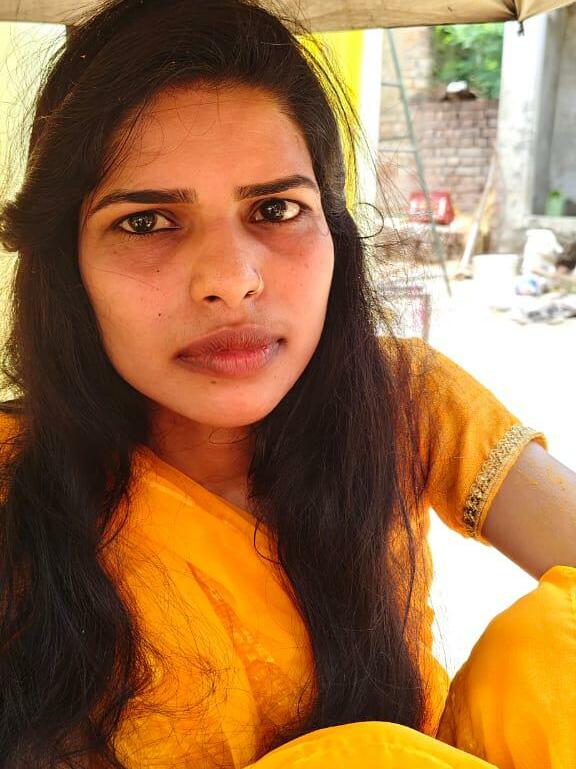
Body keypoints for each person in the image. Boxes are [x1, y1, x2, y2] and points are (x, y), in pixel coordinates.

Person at [0, 0, 574, 767]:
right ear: (68, 266)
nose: (231, 279)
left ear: (334, 234)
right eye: (146, 221)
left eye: (275, 208)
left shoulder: (401, 399)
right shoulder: (14, 482)